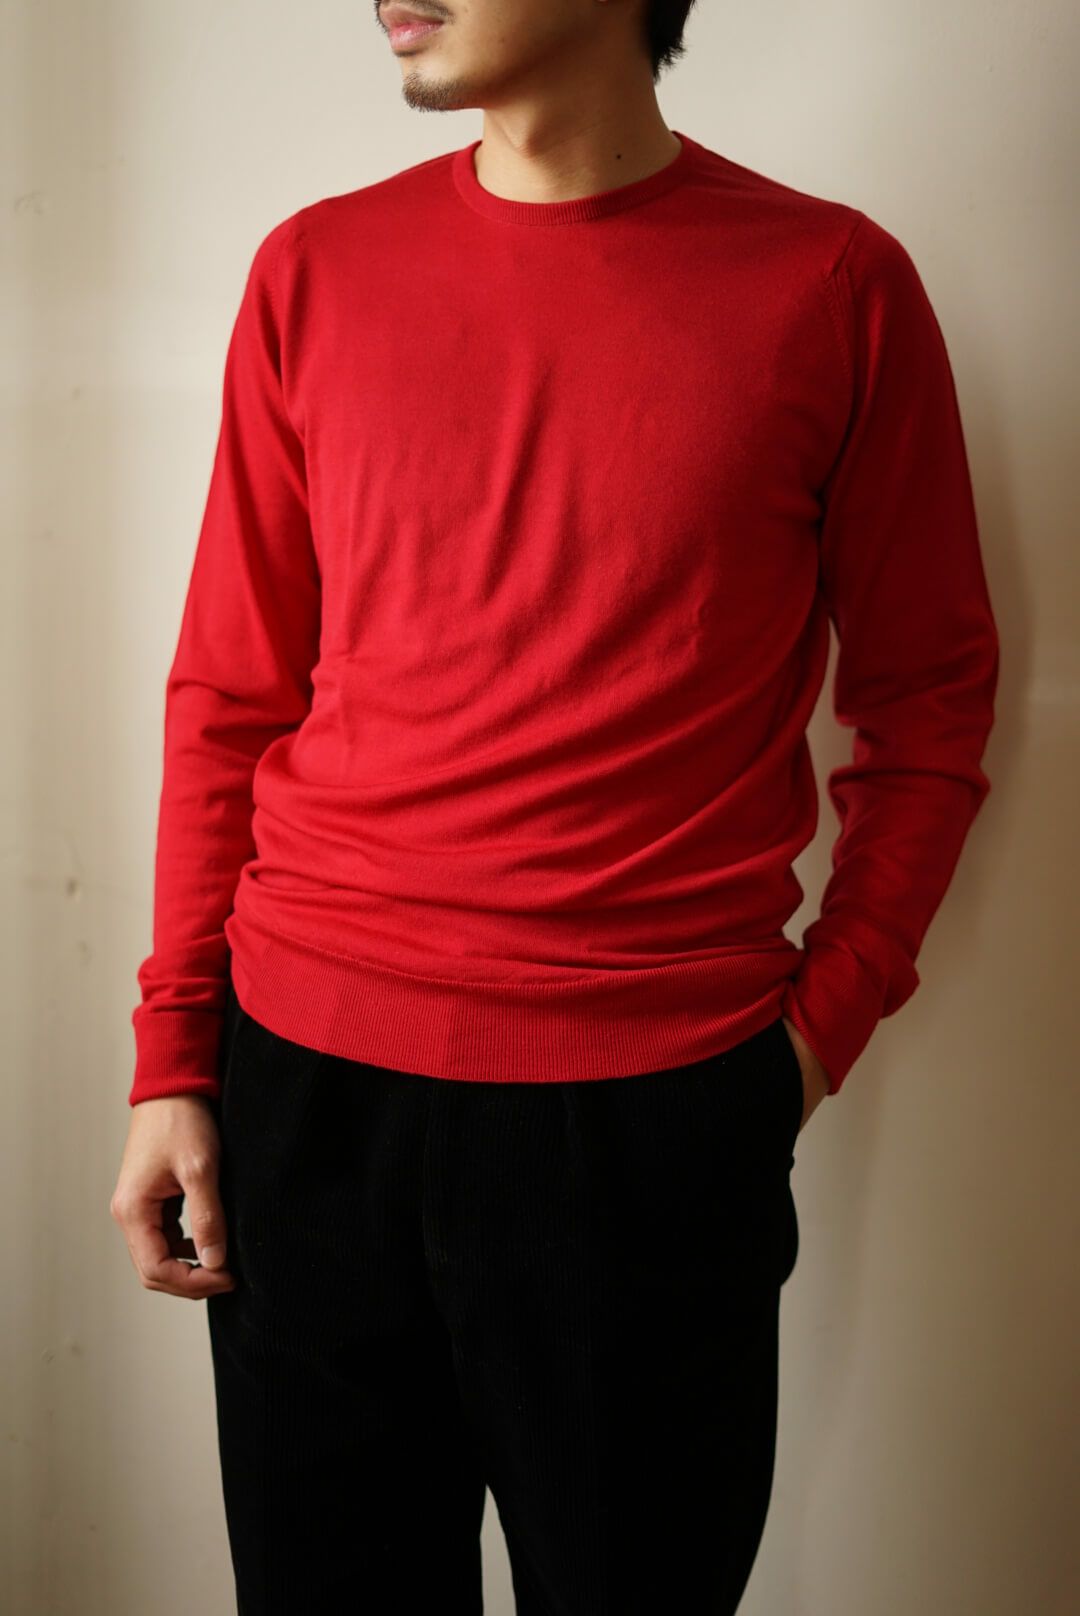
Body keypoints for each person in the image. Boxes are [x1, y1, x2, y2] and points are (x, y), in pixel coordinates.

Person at [109, 1, 1000, 1610]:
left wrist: (810, 1042)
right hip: (305, 1094)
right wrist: (175, 1053)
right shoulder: (313, 271)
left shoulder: (832, 286)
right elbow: (230, 694)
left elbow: (931, 699)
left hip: (648, 1122)